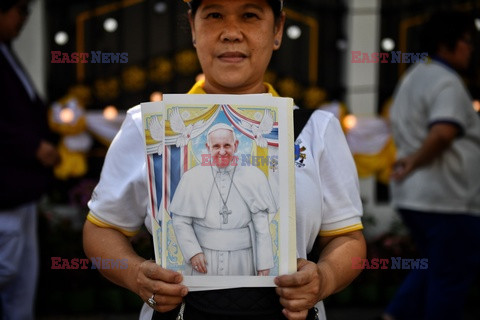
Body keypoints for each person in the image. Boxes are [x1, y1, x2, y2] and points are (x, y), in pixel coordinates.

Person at [83, 1, 366, 319]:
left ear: (277, 30)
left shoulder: (316, 130)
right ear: (193, 27)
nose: (231, 33)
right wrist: (135, 275)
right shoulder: (149, 127)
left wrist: (323, 279)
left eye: (250, 15)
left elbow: (348, 238)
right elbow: (102, 229)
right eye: (214, 15)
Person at [383, 10, 480, 320]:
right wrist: (415, 160)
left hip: (418, 196)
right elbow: (444, 131)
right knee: (450, 277)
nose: (471, 48)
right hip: (448, 198)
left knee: (435, 266)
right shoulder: (447, 81)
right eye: (467, 40)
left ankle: (393, 316)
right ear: (446, 42)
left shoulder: (413, 76)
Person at [0, 0, 60, 318]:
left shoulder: (7, 52)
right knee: (7, 272)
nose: (23, 19)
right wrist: (32, 146)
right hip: (6, 191)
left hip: (22, 190)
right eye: (20, 10)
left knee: (22, 283)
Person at [170, 123, 276, 276]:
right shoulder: (192, 178)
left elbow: (261, 225)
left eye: (227, 145)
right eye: (216, 146)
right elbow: (180, 220)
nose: (222, 151)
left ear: (236, 145)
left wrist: (263, 264)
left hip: (242, 258)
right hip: (203, 257)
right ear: (208, 147)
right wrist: (193, 252)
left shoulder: (254, 176)